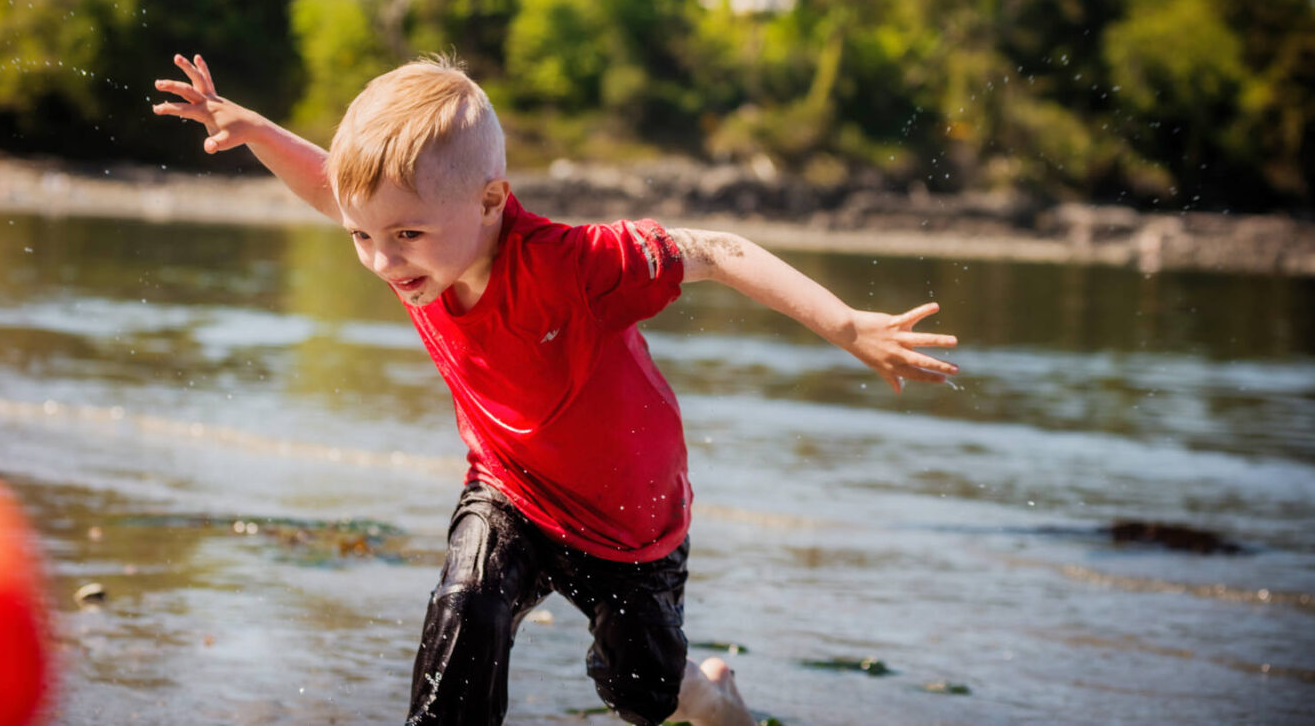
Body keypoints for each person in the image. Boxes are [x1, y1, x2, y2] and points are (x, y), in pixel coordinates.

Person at [153, 53, 959, 726]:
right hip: (509, 485)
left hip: (629, 522)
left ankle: (710, 698)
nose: (383, 262)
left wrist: (848, 327)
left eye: (404, 238)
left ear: (492, 201)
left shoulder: (573, 265)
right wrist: (255, 129)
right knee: (465, 608)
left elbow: (717, 248)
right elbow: (335, 188)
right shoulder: (420, 241)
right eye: (365, 236)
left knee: (641, 694)